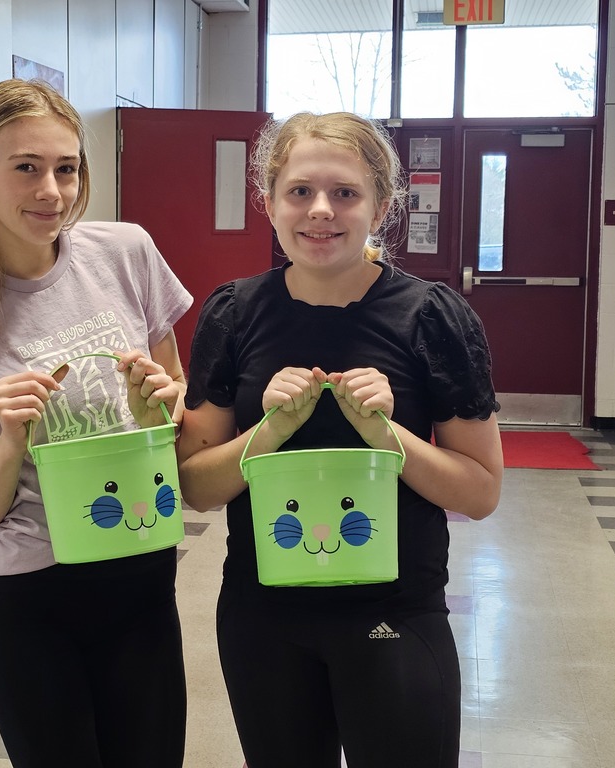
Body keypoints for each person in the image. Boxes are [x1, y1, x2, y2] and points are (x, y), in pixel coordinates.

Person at [176, 110, 504, 768]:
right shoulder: (234, 314)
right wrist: (269, 432)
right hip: (263, 619)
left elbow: (482, 491)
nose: (320, 211)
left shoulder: (432, 317)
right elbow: (195, 487)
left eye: (345, 193)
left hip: (394, 617)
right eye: (300, 191)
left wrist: (386, 436)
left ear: (382, 205)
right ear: (269, 201)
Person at [0, 78, 192, 768]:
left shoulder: (124, 253)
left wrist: (163, 402)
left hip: (141, 577)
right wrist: (11, 441)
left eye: (66, 169)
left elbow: (175, 408)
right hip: (31, 601)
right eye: (27, 169)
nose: (52, 192)